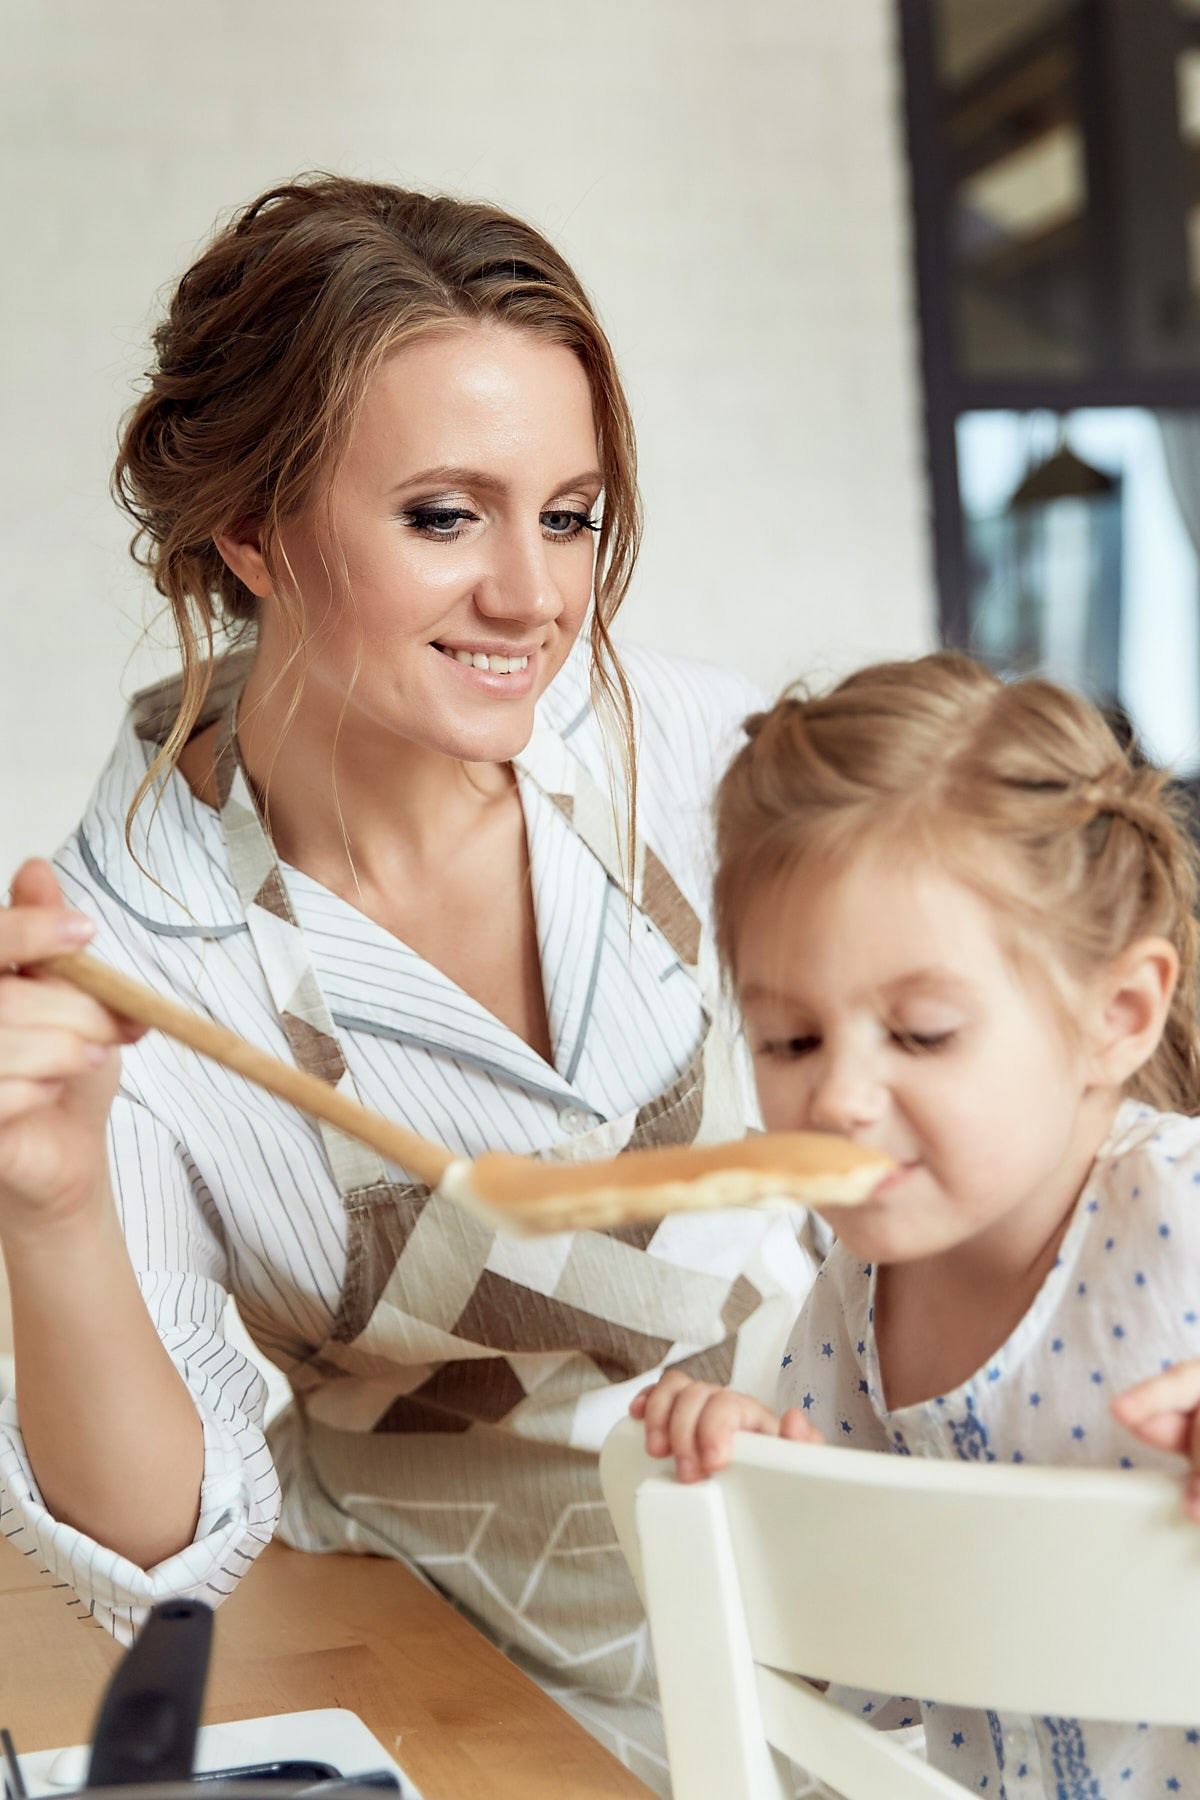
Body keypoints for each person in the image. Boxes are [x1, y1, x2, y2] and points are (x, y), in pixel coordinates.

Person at [0, 175, 818, 1797]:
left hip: (872, 1579)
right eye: (446, 516)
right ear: (253, 529)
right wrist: (49, 1203)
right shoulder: (140, 954)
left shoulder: (706, 760)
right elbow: (160, 1553)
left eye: (568, 513)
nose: (531, 596)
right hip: (504, 1682)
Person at [633, 650, 1200, 1797]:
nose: (836, 1097)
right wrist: (761, 1480)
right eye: (789, 1041)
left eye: (924, 1032)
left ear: (1116, 1017)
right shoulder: (853, 1297)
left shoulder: (1175, 1213)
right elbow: (867, 1676)